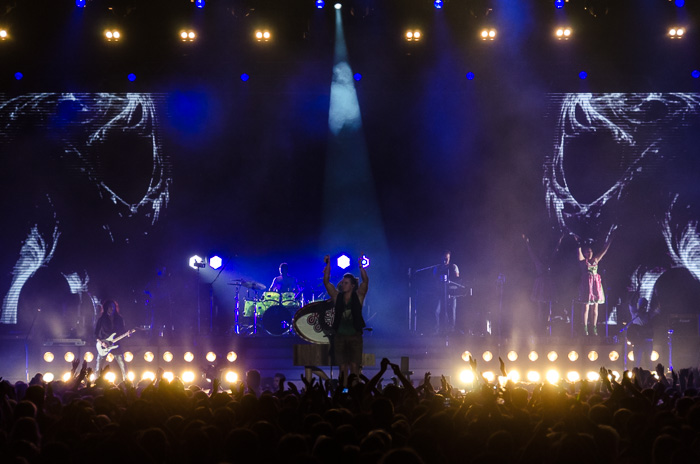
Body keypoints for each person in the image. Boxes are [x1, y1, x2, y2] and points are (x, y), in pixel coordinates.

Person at [323, 254, 368, 384]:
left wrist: (361, 267)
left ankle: (355, 390)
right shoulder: (338, 297)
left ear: (352, 285)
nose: (343, 285)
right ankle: (344, 390)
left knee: (354, 366)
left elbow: (365, 282)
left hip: (355, 336)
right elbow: (326, 282)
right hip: (340, 336)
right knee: (342, 367)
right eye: (343, 283)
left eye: (346, 283)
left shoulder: (358, 296)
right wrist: (328, 266)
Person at [575, 227, 615, 336]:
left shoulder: (595, 260)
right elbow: (578, 252)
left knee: (595, 307)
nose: (590, 252)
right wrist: (578, 243)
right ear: (585, 253)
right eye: (587, 251)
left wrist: (610, 240)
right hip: (587, 286)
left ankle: (594, 327)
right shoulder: (583, 261)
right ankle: (585, 327)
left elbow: (604, 250)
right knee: (586, 307)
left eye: (591, 251)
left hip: (595, 285)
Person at [522, 233, 565, 335]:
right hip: (541, 283)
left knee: (549, 305)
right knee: (540, 306)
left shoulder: (549, 261)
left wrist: (559, 241)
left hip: (548, 282)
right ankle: (540, 325)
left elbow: (555, 252)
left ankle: (546, 325)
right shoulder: (538, 261)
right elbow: (531, 254)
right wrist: (527, 243)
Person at [94, 299, 129, 382]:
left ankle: (127, 383)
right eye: (110, 307)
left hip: (115, 344)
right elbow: (95, 334)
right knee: (98, 367)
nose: (112, 309)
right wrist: (101, 342)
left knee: (123, 365)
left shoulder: (119, 319)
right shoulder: (101, 319)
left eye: (113, 307)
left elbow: (123, 331)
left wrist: (127, 333)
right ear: (106, 308)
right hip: (104, 345)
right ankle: (95, 383)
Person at [433, 250, 460, 334]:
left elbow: (458, 279)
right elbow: (433, 280)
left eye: (447, 258)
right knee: (436, 310)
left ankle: (451, 330)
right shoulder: (437, 268)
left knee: (451, 310)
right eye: (444, 258)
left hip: (451, 292)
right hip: (440, 292)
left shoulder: (453, 266)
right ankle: (437, 330)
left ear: (449, 258)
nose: (445, 260)